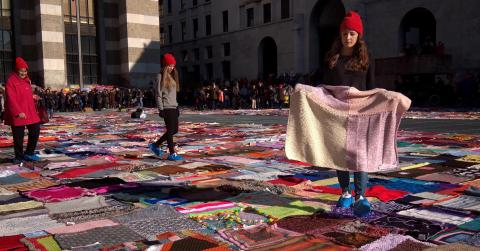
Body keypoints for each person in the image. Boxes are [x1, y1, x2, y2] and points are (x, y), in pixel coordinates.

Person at [322, 11, 375, 217]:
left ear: (358, 35)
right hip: (337, 114)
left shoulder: (366, 60)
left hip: (360, 115)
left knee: (359, 155)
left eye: (352, 33)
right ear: (340, 36)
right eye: (345, 34)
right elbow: (325, 87)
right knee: (341, 156)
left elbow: (371, 88)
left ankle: (360, 196)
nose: (348, 37)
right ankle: (345, 192)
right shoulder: (331, 60)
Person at [3, 57, 42, 164]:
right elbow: (11, 98)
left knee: (35, 130)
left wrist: (33, 96)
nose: (23, 73)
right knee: (18, 137)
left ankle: (29, 152)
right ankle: (19, 156)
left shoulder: (27, 81)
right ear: (17, 70)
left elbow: (25, 94)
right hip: (18, 113)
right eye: (21, 70)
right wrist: (18, 111)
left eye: (25, 71)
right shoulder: (11, 81)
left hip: (29, 112)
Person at [149, 53, 184, 161]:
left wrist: (177, 106)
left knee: (175, 130)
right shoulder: (160, 76)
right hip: (166, 107)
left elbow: (173, 94)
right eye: (170, 66)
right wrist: (161, 109)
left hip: (173, 106)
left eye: (173, 66)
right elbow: (158, 94)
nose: (172, 68)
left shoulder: (172, 76)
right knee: (170, 130)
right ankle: (172, 154)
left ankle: (155, 145)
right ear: (165, 66)